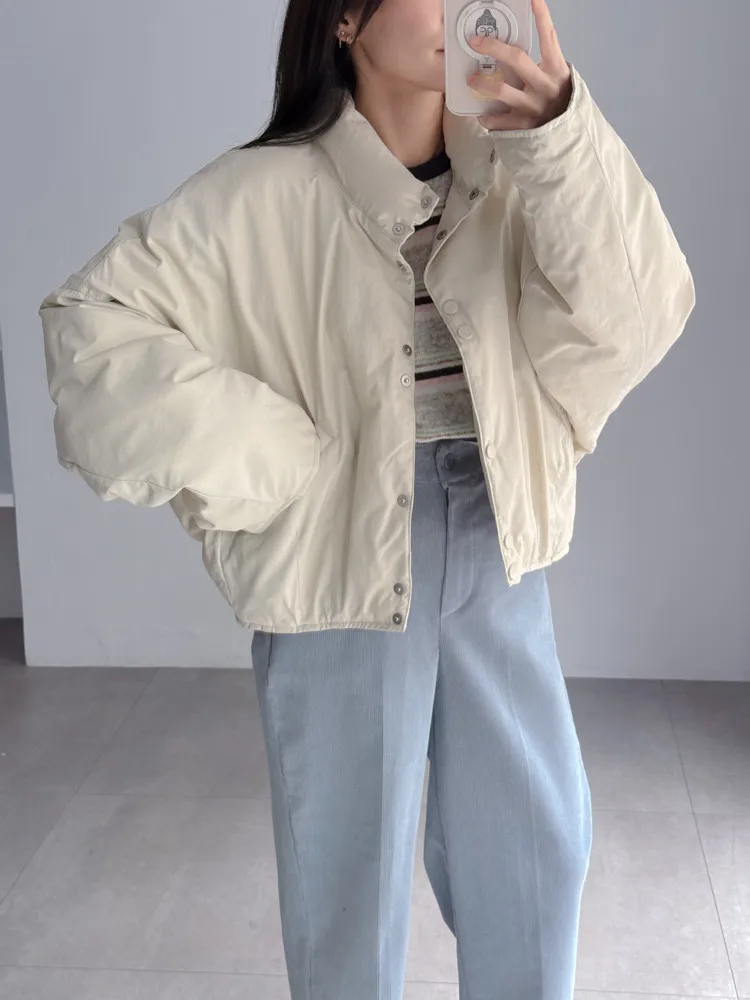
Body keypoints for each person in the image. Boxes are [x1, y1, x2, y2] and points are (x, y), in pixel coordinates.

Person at [38, 0, 696, 996]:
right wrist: (279, 464)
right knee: (350, 884)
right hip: (344, 564)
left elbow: (639, 313)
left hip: (494, 539)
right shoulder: (260, 192)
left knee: (538, 853)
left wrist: (561, 132)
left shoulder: (521, 174)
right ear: (345, 19)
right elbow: (89, 331)